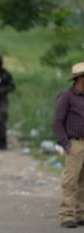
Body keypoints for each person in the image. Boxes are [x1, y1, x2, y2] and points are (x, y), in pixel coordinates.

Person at [51, 61, 84, 228]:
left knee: (83, 181)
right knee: (71, 180)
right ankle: (67, 215)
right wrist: (65, 144)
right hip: (74, 144)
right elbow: (56, 122)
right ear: (79, 78)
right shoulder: (66, 96)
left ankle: (80, 214)